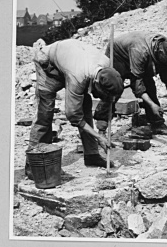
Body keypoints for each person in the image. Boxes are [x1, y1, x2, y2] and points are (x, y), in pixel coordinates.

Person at [25, 38, 124, 178]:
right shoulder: (78, 76)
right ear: (96, 82)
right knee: (45, 113)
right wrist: (98, 136)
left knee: (86, 104)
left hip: (69, 60)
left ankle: (92, 155)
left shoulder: (107, 66)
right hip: (47, 63)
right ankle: (33, 164)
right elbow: (73, 116)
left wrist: (102, 129)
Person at [94, 31, 167, 136]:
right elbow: (137, 83)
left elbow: (165, 71)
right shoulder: (140, 51)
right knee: (114, 89)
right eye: (166, 60)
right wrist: (152, 104)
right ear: (160, 51)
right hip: (118, 55)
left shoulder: (166, 51)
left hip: (134, 52)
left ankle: (157, 124)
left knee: (150, 87)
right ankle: (101, 130)